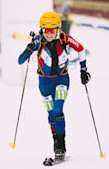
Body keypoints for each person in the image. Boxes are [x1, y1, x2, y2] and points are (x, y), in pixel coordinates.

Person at [17, 11, 91, 161]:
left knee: (58, 109)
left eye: (51, 31)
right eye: (45, 30)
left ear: (57, 29)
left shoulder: (65, 38)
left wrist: (83, 70)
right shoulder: (38, 40)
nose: (48, 34)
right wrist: (29, 49)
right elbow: (20, 61)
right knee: (51, 115)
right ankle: (57, 144)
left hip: (61, 80)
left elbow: (81, 49)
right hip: (44, 84)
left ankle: (60, 146)